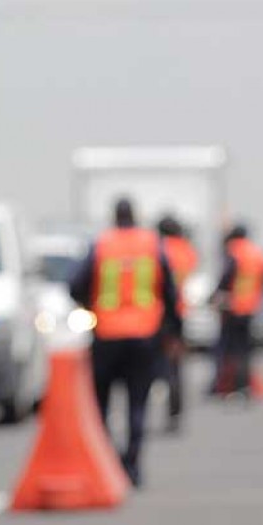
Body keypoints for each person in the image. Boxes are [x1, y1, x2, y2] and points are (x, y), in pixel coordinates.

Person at [70, 197, 181, 487]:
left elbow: (75, 285)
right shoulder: (151, 244)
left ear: (113, 217)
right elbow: (170, 292)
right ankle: (132, 467)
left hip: (106, 335)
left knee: (102, 406)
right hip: (145, 335)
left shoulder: (102, 245)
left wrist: (90, 307)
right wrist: (173, 330)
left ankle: (105, 464)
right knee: (137, 405)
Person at [210, 224, 263, 398]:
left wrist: (214, 295)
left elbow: (226, 277)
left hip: (234, 307)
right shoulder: (257, 253)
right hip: (251, 308)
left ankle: (229, 386)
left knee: (229, 349)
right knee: (245, 350)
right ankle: (244, 386)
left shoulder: (234, 252)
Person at [157, 215, 198, 432]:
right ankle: (175, 411)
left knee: (156, 366)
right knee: (175, 366)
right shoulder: (187, 250)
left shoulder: (158, 249)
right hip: (180, 313)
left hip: (158, 314)